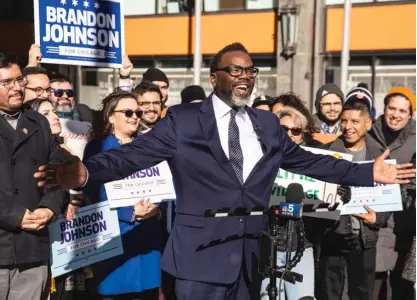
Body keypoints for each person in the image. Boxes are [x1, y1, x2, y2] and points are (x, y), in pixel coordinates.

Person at [36, 43, 415, 300]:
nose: (245, 77)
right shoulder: (183, 121)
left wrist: (366, 174)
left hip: (250, 255)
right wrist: (85, 173)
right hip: (199, 258)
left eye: (250, 70)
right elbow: (133, 156)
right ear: (215, 76)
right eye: (235, 70)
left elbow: (308, 161)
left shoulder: (266, 125)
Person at [0, 52, 67, 300]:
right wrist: (16, 216)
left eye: (19, 80)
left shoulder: (38, 121)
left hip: (32, 247)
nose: (17, 88)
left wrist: (49, 207)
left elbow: (58, 171)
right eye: (7, 82)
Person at [84, 91, 162, 299]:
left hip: (148, 238)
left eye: (138, 112)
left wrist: (157, 209)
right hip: (116, 237)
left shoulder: (150, 146)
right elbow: (93, 191)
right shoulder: (97, 148)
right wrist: (130, 212)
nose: (135, 116)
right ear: (111, 117)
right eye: (128, 112)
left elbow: (165, 185)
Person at [316, 87, 390, 300]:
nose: (348, 127)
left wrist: (379, 218)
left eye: (355, 122)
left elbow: (391, 199)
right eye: (345, 121)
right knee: (329, 294)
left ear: (368, 124)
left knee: (362, 293)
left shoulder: (380, 156)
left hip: (365, 238)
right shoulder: (327, 153)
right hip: (333, 236)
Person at [260, 106, 318, 300]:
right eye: (284, 129)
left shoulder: (313, 164)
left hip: (302, 246)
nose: (289, 135)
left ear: (302, 136)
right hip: (268, 247)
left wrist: (338, 196)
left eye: (296, 131)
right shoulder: (258, 162)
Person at [369, 86, 416, 300]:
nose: (395, 115)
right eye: (392, 108)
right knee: (373, 282)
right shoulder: (368, 132)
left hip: (404, 222)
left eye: (402, 111)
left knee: (402, 284)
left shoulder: (416, 139)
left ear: (410, 114)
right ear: (384, 108)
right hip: (372, 217)